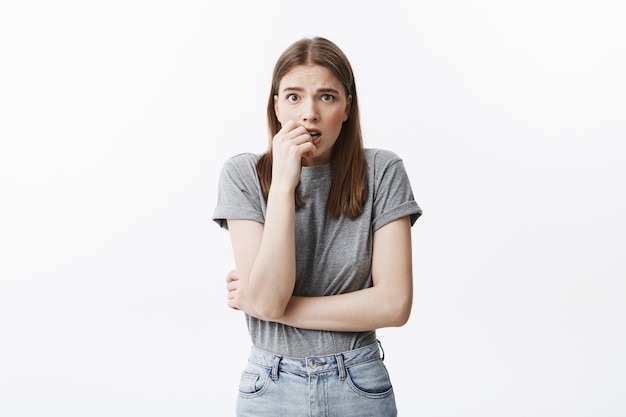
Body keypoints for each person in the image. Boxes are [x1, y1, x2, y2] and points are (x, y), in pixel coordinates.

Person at [213, 36, 422, 417]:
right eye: (293, 97)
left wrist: (268, 307)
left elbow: (394, 305)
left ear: (347, 107)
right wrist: (282, 185)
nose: (309, 113)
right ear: (275, 105)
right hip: (269, 385)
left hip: (357, 382)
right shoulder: (242, 174)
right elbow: (268, 298)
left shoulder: (382, 171)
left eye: (327, 96)